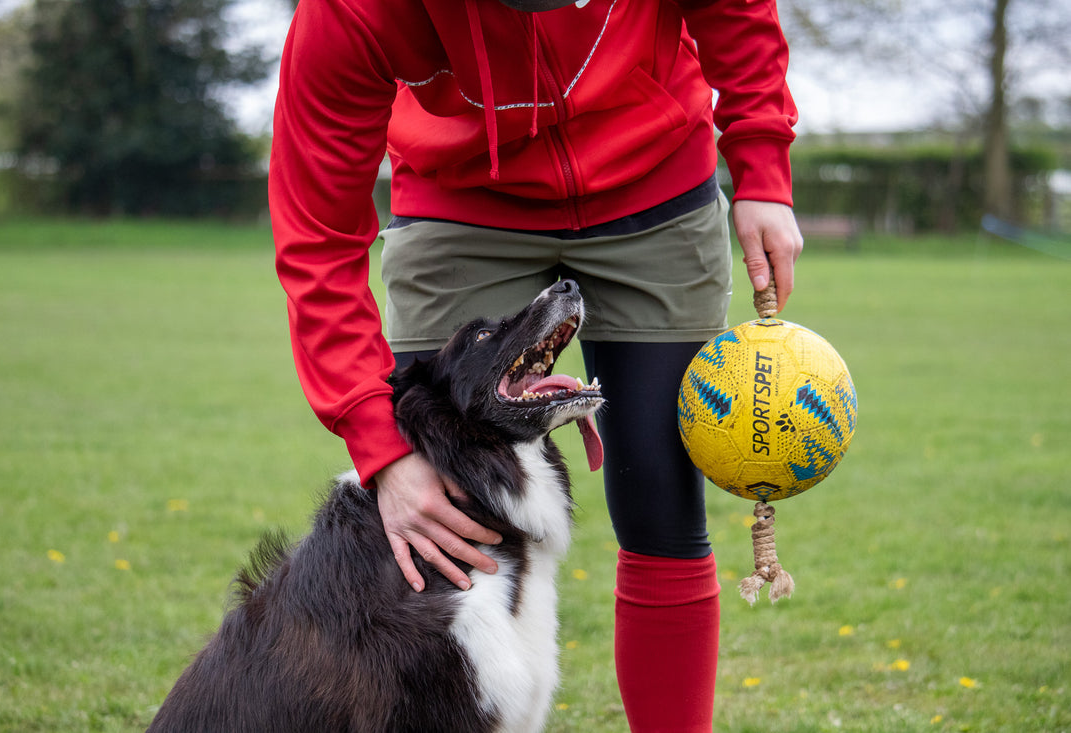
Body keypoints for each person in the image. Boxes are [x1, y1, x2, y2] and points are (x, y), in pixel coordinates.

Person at [269, 0, 802, 728]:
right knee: (434, 519)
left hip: (655, 179)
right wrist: (379, 446)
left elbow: (735, 12)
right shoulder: (349, 12)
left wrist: (763, 169)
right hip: (460, 196)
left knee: (662, 501)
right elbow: (318, 238)